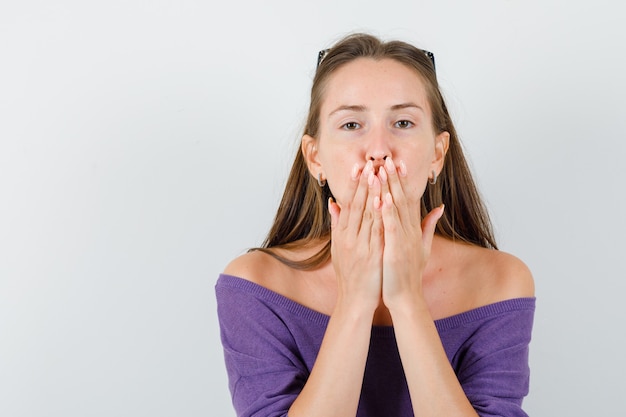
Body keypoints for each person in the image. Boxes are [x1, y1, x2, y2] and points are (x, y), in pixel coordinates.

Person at [215, 33, 535, 417]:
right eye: (351, 125)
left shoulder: (500, 281)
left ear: (437, 154)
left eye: (402, 122)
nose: (379, 149)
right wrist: (355, 301)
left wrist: (406, 299)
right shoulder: (256, 284)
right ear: (315, 158)